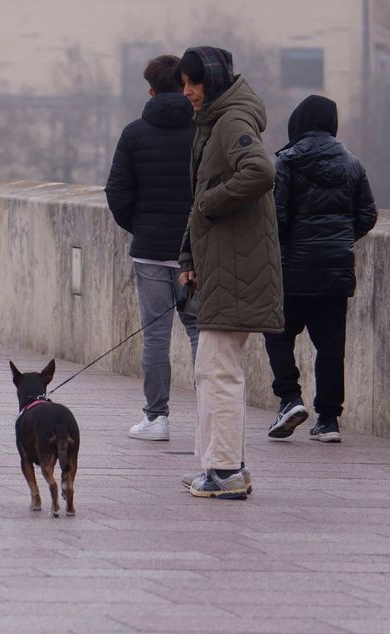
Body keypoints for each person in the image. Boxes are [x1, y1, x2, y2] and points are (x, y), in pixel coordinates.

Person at [177, 46, 283, 500]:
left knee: (219, 369)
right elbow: (203, 200)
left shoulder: (231, 121)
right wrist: (190, 259)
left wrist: (209, 203)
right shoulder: (218, 120)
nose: (188, 93)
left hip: (235, 265)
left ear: (213, 82)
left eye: (194, 84)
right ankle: (218, 465)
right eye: (184, 84)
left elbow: (260, 171)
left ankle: (224, 470)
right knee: (211, 367)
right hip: (222, 261)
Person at [264, 94, 378, 445]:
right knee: (331, 347)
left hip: (293, 270)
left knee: (277, 333)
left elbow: (276, 218)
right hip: (335, 270)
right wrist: (339, 239)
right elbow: (367, 216)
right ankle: (328, 420)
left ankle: (289, 398)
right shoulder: (352, 163)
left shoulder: (286, 162)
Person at [104, 54, 200, 442]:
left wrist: (139, 227)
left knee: (156, 337)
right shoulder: (202, 132)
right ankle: (210, 416)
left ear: (150, 89)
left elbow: (117, 191)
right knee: (198, 332)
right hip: (195, 251)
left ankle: (156, 417)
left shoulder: (134, 133)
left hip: (149, 251)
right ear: (185, 85)